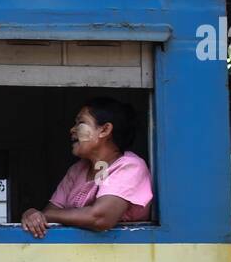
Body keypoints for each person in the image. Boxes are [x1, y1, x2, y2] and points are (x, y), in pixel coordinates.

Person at [20, 97, 152, 237]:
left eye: (80, 123)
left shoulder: (130, 166)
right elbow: (48, 215)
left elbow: (101, 218)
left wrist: (47, 215)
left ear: (105, 130)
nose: (72, 130)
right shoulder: (77, 170)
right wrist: (32, 214)